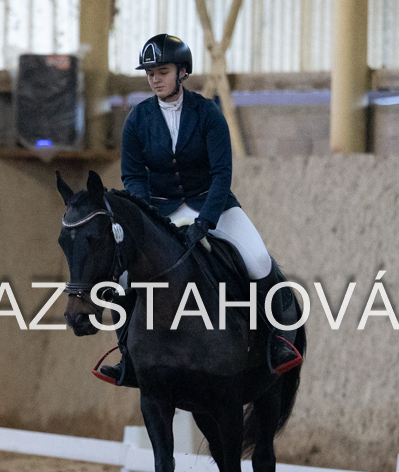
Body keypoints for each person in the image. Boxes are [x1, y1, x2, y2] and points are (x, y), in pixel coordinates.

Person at [97, 33, 301, 387]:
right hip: (161, 211)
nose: (155, 79)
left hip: (213, 205)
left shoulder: (208, 113)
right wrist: (148, 218)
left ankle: (277, 343)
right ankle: (127, 356)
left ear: (182, 72)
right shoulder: (138, 119)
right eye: (150, 73)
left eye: (162, 71)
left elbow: (222, 173)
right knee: (125, 278)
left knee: (258, 261)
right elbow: (132, 175)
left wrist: (206, 220)